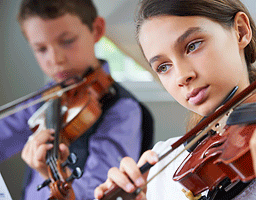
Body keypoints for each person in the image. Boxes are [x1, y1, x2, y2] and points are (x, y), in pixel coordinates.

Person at [94, 0, 256, 200]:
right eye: (163, 67)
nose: (181, 77)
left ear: (240, 31)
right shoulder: (165, 164)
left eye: (193, 46)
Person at [0, 0, 154, 199]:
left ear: (97, 30)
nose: (56, 59)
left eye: (67, 41)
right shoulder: (48, 96)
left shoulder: (122, 110)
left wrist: (49, 174)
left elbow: (96, 194)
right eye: (41, 49)